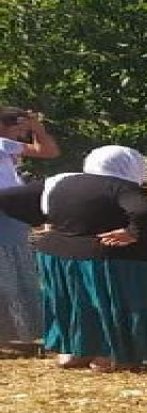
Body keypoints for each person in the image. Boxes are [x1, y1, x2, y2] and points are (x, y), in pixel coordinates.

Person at [0, 145, 147, 371]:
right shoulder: (121, 186)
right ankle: (109, 355)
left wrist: (40, 219)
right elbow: (145, 212)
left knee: (75, 304)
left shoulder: (61, 180)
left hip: (57, 258)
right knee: (114, 304)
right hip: (111, 261)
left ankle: (74, 352)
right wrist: (133, 233)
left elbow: (8, 197)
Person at [0, 107, 60, 352]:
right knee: (9, 266)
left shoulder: (6, 146)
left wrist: (35, 127)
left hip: (11, 210)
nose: (22, 134)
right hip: (7, 208)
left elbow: (47, 151)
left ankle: (11, 330)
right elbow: (48, 151)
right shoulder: (3, 144)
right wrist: (37, 128)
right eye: (20, 128)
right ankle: (13, 328)